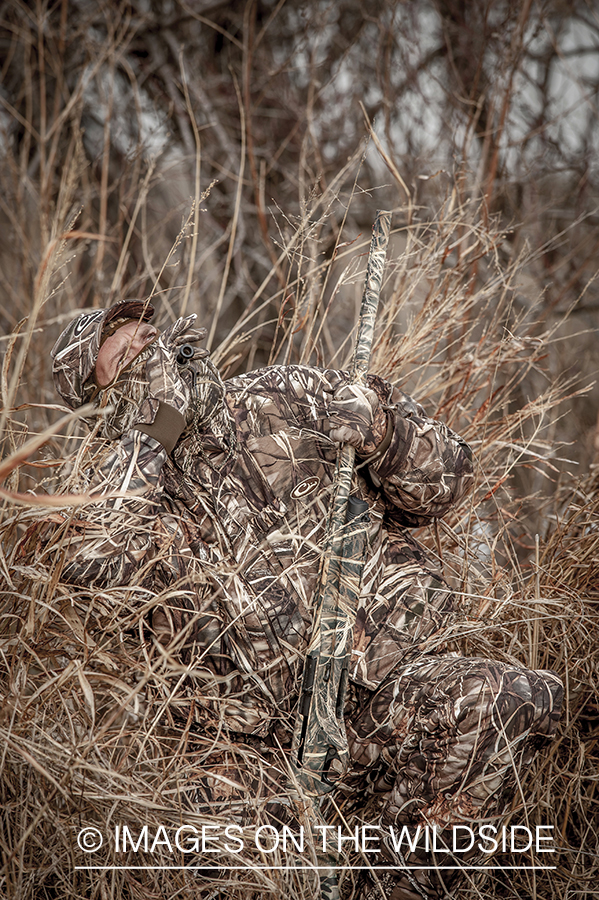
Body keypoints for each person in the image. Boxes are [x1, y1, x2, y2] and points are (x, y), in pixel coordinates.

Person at [45, 299, 563, 899]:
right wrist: (157, 431)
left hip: (392, 694)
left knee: (509, 699)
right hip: (266, 764)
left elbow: (446, 482)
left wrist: (382, 430)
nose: (155, 356)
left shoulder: (286, 396)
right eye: (129, 359)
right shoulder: (119, 493)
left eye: (151, 338)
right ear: (102, 404)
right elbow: (100, 578)